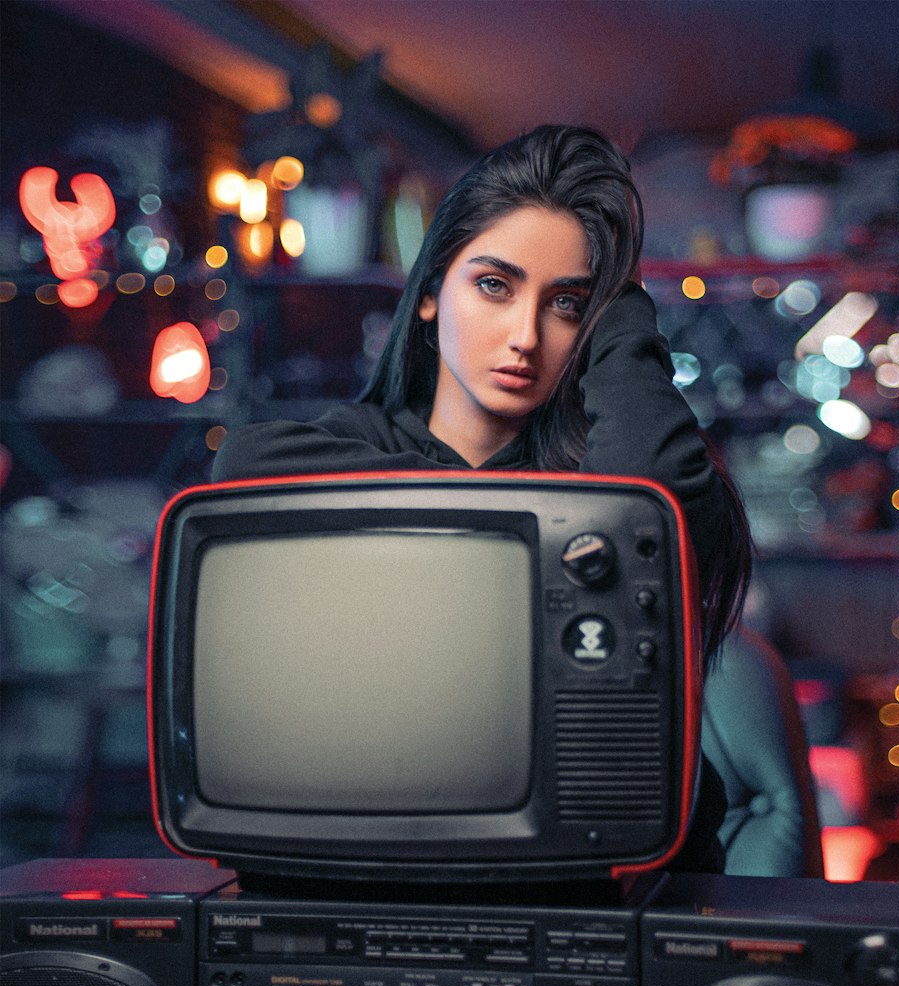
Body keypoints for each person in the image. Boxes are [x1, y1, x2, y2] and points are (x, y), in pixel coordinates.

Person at [212, 124, 753, 869]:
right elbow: (243, 463)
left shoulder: (607, 461)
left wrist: (621, 298)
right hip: (376, 855)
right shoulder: (350, 446)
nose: (526, 335)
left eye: (566, 304)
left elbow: (649, 503)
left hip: (601, 871)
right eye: (495, 286)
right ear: (431, 293)